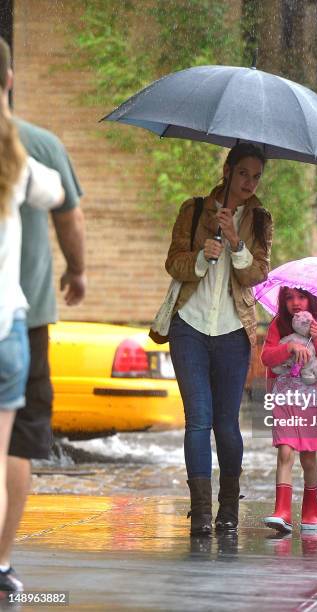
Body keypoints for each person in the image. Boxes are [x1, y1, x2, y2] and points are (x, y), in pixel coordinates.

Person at [0, 37, 86, 593]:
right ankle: (1, 561)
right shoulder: (35, 149)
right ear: (9, 78)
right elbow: (67, 215)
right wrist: (78, 272)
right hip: (18, 322)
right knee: (15, 445)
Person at [165, 142, 273, 536]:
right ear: (227, 171)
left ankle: (228, 507)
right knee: (198, 421)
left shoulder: (260, 219)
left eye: (256, 176)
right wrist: (200, 256)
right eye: (243, 173)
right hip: (189, 327)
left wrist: (235, 242)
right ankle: (201, 513)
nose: (249, 182)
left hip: (233, 332)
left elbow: (258, 274)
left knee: (226, 424)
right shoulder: (193, 209)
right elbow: (172, 261)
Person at [0, 94, 64, 592]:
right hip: (7, 324)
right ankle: (0, 563)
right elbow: (60, 195)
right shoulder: (18, 158)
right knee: (7, 452)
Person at [261, 287, 317, 533]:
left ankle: (311, 508)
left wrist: (316, 338)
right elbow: (267, 357)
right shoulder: (278, 325)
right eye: (289, 297)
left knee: (308, 457)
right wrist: (290, 347)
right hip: (284, 397)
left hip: (311, 399)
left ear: (311, 299)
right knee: (285, 451)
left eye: (301, 297)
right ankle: (282, 510)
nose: (295, 303)